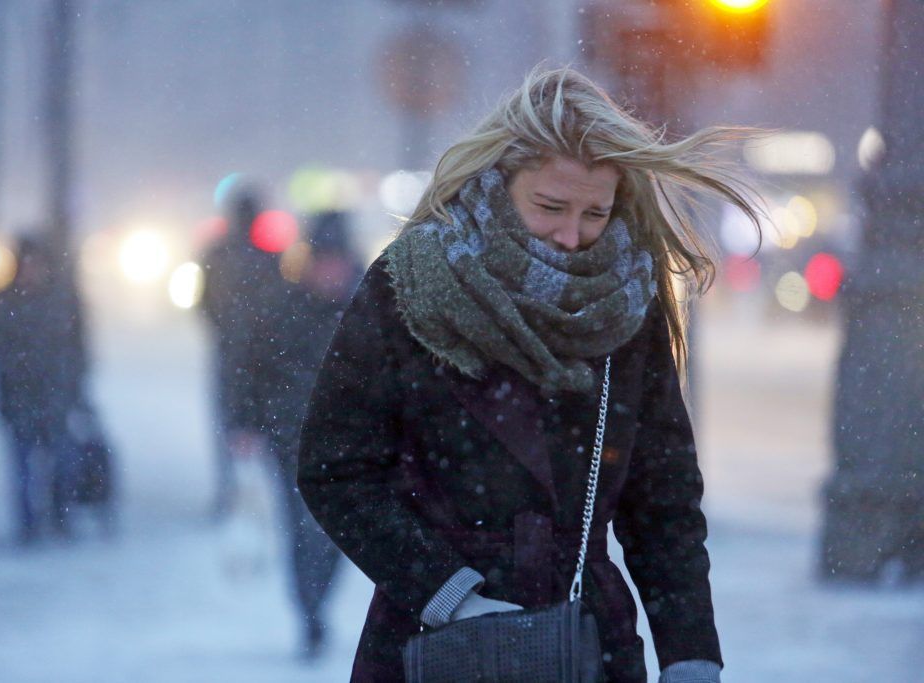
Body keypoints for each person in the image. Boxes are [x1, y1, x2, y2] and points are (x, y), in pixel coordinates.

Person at [297, 66, 764, 682]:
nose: (572, 236)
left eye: (595, 213)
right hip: (436, 642)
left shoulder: (628, 297)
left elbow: (663, 500)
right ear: (499, 181)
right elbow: (335, 468)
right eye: (550, 207)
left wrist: (690, 653)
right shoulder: (414, 282)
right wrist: (449, 594)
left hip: (589, 639)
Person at [230, 211, 361, 659]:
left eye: (335, 261)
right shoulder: (282, 309)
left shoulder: (370, 307)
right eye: (322, 261)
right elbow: (253, 369)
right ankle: (309, 611)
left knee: (340, 533)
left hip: (353, 443)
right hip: (293, 440)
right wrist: (245, 422)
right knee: (304, 529)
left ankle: (315, 603)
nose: (328, 271)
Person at [0, 235, 90, 544]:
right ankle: (28, 524)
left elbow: (78, 348)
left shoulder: (59, 300)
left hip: (53, 394)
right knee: (23, 463)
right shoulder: (5, 301)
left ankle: (59, 516)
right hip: (20, 395)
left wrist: (76, 386)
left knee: (61, 461)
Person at [198, 183, 287, 519]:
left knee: (228, 422)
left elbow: (204, 304)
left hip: (229, 351)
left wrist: (224, 330)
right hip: (261, 353)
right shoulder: (270, 259)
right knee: (261, 421)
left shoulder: (216, 255)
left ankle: (231, 491)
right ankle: (259, 493)